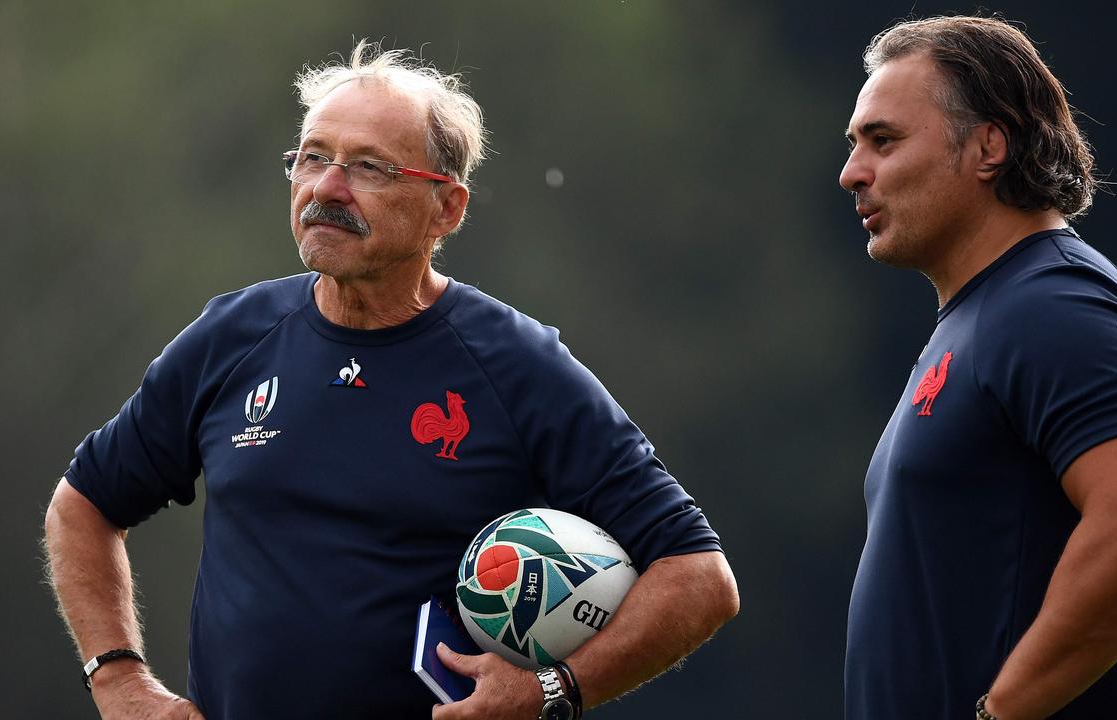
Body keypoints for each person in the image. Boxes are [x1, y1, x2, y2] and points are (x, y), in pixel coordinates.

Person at [44, 42, 739, 720]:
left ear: (448, 209)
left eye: (369, 168)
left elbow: (698, 577)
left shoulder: (517, 364)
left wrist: (551, 691)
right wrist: (120, 683)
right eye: (313, 158)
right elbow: (83, 507)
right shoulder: (232, 336)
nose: (326, 188)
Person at [839, 16, 1117, 720]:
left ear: (988, 148)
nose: (853, 172)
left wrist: (1002, 712)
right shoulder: (986, 315)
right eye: (855, 146)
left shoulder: (1055, 302)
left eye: (884, 141)